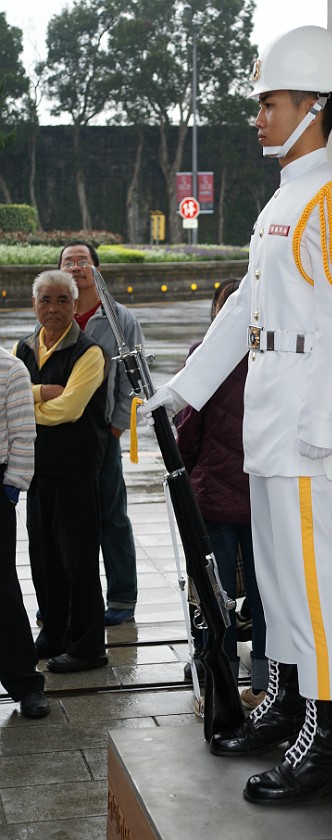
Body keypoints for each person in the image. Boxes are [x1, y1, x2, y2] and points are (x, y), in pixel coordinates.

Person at [140, 25, 332, 805]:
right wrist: (186, 389)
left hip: (307, 423)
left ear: (313, 106)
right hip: (270, 421)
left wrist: (327, 421)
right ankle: (283, 705)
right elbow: (247, 306)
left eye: (271, 102)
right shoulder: (284, 199)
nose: (260, 116)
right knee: (276, 581)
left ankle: (328, 740)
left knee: (313, 584)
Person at [173, 280, 268, 709]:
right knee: (266, 590)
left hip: (215, 491)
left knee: (217, 589)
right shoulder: (272, 356)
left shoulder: (206, 357)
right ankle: (267, 677)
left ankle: (221, 675)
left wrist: (189, 470)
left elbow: (188, 428)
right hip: (264, 492)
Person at [16, 270, 109, 673]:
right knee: (44, 556)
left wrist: (26, 405)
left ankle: (89, 646)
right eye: (45, 300)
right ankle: (54, 632)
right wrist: (40, 393)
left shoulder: (89, 352)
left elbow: (71, 409)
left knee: (80, 560)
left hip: (76, 469)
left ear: (75, 306)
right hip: (36, 470)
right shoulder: (23, 348)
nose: (53, 308)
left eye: (62, 301)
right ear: (34, 305)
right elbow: (7, 394)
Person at [58, 240, 145, 626]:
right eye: (67, 262)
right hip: (58, 434)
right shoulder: (53, 311)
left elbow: (134, 379)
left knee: (111, 517)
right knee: (63, 522)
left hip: (101, 436)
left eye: (82, 261)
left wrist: (116, 426)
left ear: (96, 268)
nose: (75, 267)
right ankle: (63, 599)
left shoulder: (118, 318)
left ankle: (122, 599)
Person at [0, 346, 50, 718]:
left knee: (2, 588)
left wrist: (13, 487)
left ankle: (25, 683)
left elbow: (23, 434)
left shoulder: (11, 369)